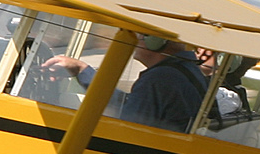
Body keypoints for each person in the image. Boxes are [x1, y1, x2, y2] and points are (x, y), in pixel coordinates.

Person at [43, 33, 208, 132]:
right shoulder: (185, 70)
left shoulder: (159, 79)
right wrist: (82, 70)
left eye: (140, 35)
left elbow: (126, 132)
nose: (135, 40)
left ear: (155, 41)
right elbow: (131, 105)